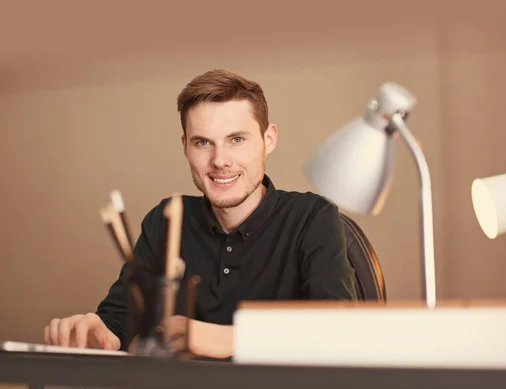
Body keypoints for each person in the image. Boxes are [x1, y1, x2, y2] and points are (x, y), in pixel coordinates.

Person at [43, 69, 358, 359]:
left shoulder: (313, 218)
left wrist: (223, 339)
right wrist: (102, 333)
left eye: (236, 139)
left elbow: (338, 332)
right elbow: (120, 318)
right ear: (185, 146)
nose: (220, 160)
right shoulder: (167, 219)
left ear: (268, 140)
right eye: (203, 142)